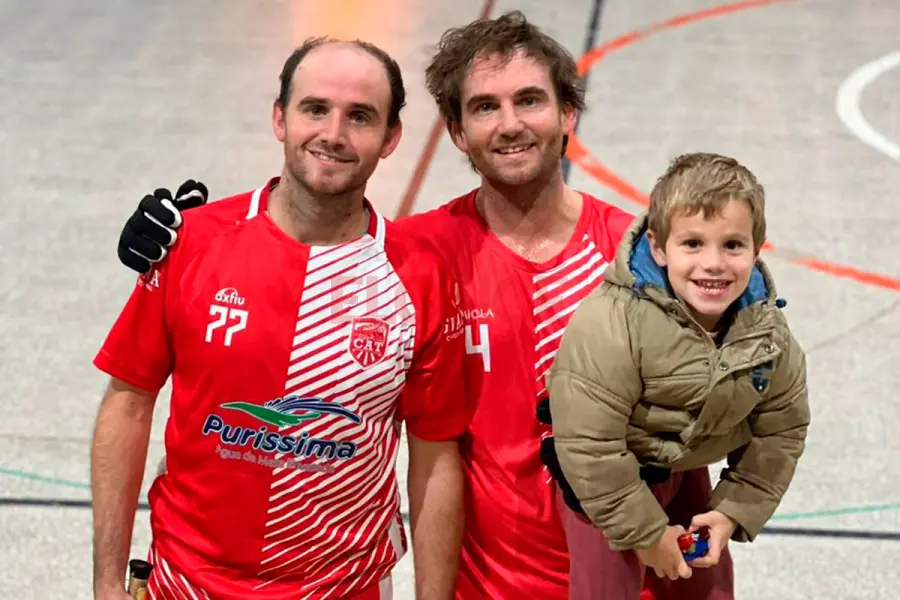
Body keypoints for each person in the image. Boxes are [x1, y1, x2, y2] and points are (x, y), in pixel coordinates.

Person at [110, 11, 734, 600]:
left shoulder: (644, 255)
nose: (509, 124)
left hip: (640, 580)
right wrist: (177, 237)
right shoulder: (415, 256)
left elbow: (754, 381)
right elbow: (306, 246)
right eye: (485, 107)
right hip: (482, 587)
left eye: (530, 100)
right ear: (457, 132)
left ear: (569, 112)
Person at [91, 38, 472, 600]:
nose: (334, 134)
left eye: (360, 116)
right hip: (186, 585)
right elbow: (127, 403)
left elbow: (435, 457)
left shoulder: (419, 278)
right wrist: (105, 581)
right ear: (279, 118)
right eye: (315, 109)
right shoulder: (191, 242)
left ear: (391, 138)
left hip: (345, 589)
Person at [547, 153, 811, 600]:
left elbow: (782, 430)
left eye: (732, 245)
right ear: (657, 246)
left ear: (756, 246)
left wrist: (731, 511)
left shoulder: (766, 331)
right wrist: (647, 534)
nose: (714, 264)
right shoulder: (611, 324)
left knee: (709, 590)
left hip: (684, 468)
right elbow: (589, 447)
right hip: (607, 478)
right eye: (692, 244)